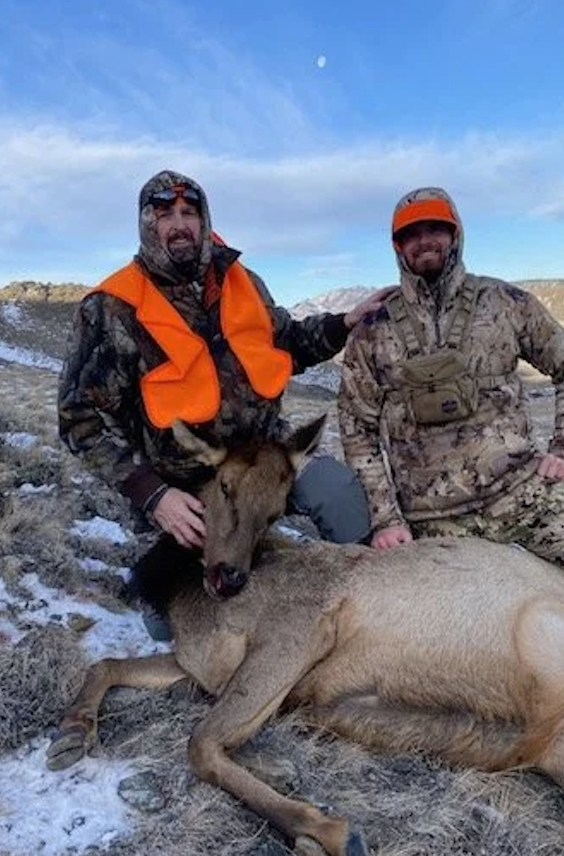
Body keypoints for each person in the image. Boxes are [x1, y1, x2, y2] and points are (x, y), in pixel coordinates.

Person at [59, 169, 379, 637]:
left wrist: (343, 323)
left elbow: (286, 342)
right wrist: (154, 495)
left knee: (337, 491)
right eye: (165, 213)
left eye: (190, 212)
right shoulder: (111, 309)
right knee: (164, 626)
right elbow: (79, 419)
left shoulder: (243, 282)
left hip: (265, 462)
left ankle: (372, 604)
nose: (180, 223)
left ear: (205, 220)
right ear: (147, 223)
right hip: (184, 487)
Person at [338, 185, 564, 560]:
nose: (423, 241)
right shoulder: (371, 330)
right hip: (430, 523)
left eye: (435, 228)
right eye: (409, 234)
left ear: (455, 234)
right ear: (397, 246)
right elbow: (356, 428)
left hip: (524, 497)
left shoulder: (506, 302)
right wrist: (386, 519)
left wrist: (561, 447)